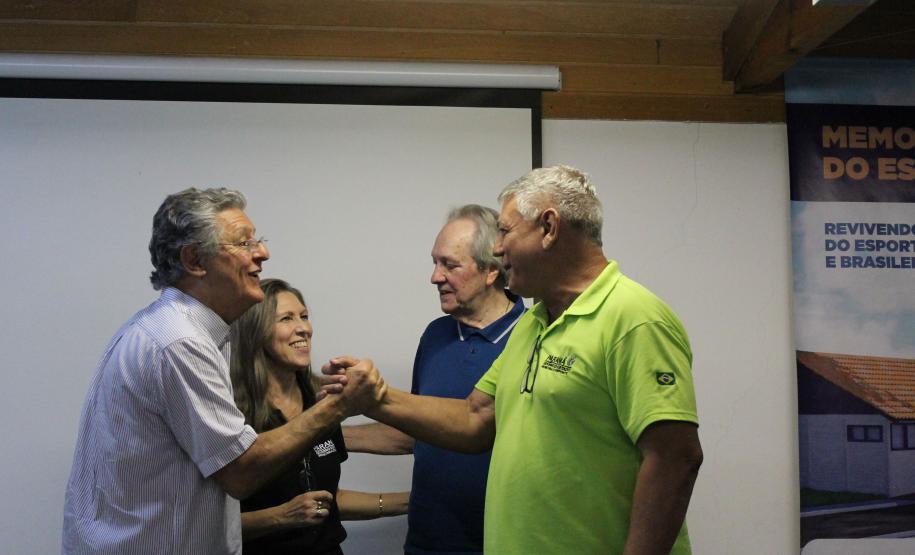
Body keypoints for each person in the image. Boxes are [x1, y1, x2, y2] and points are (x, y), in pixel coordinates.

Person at [325, 166, 703, 555]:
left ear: (549, 228)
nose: (498, 250)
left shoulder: (634, 318)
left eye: (505, 231)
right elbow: (476, 418)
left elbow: (676, 459)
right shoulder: (535, 324)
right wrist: (376, 398)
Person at [62, 188, 382, 554]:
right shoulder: (180, 342)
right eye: (244, 244)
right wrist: (337, 406)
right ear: (195, 260)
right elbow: (240, 473)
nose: (263, 253)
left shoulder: (186, 331)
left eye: (257, 241)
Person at [343, 205, 524, 554]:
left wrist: (374, 397)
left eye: (450, 265)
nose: (435, 277)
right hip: (427, 541)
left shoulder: (531, 338)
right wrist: (320, 432)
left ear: (490, 271)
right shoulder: (435, 335)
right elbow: (416, 433)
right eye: (435, 263)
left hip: (499, 543)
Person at [230, 278, 408, 554]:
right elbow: (208, 522)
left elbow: (327, 500)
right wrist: (280, 517)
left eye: (304, 316)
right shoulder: (231, 411)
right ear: (256, 332)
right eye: (286, 319)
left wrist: (413, 502)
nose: (303, 328)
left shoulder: (320, 401)